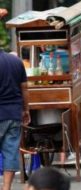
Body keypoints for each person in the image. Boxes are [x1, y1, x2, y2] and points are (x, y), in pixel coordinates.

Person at [0, 50, 31, 190]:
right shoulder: (16, 61)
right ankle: (6, 187)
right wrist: (26, 110)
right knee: (11, 152)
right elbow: (24, 88)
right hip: (14, 113)